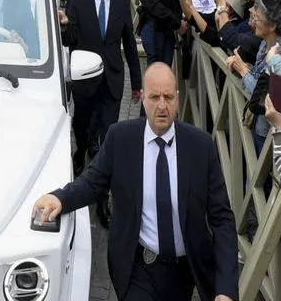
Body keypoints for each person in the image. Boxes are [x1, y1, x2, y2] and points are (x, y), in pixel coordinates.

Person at [32, 63, 237, 301]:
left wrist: (226, 288)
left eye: (168, 97)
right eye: (155, 97)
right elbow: (92, 182)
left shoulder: (201, 146)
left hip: (185, 270)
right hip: (139, 266)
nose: (162, 106)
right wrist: (60, 198)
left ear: (177, 97)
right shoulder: (120, 138)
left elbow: (222, 218)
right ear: (143, 99)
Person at [64, 0, 141, 227]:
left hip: (112, 80)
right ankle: (79, 151)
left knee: (106, 139)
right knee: (83, 129)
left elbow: (129, 43)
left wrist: (137, 82)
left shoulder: (121, 0)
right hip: (85, 79)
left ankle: (101, 200)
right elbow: (70, 39)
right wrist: (64, 25)